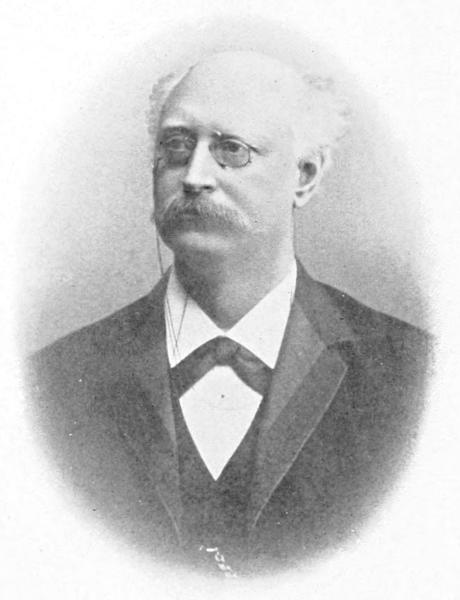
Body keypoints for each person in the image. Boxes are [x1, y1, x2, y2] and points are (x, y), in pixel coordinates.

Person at [27, 51, 431, 577]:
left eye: (231, 150)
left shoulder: (413, 373)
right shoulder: (53, 379)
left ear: (304, 176)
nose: (194, 176)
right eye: (177, 145)